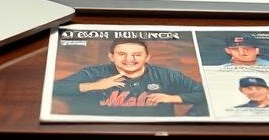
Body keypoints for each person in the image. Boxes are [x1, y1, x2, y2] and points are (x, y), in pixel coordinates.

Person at [52, 37, 208, 116]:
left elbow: (205, 93)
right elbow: (54, 88)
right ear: (111, 57)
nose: (129, 59)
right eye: (122, 54)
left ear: (147, 57)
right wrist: (95, 86)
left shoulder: (166, 75)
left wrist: (173, 98)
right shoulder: (93, 73)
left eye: (137, 55)